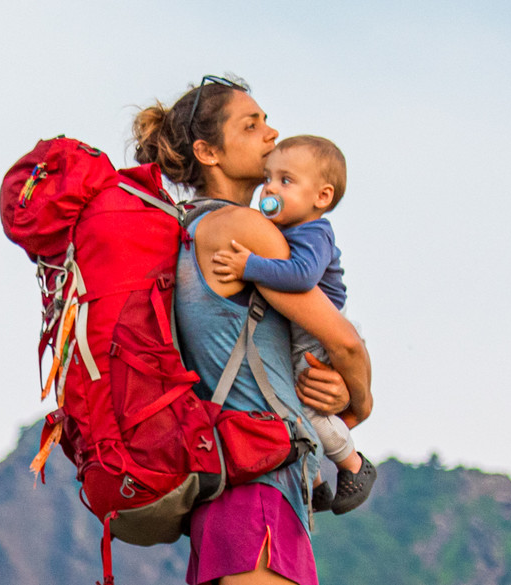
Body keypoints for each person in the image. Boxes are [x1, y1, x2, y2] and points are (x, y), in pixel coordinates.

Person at [133, 76, 373, 585]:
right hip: (257, 490)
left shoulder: (187, 228)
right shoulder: (242, 230)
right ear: (208, 152)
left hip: (229, 492)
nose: (271, 133)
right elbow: (344, 340)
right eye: (252, 124)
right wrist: (360, 404)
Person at [207, 135, 377, 515]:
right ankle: (315, 483)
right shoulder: (286, 232)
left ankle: (352, 465)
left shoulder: (315, 232)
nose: (270, 187)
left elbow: (301, 276)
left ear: (322, 196)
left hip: (315, 335)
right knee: (287, 399)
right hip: (299, 331)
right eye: (269, 178)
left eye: (286, 181)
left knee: (307, 405)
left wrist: (249, 267)